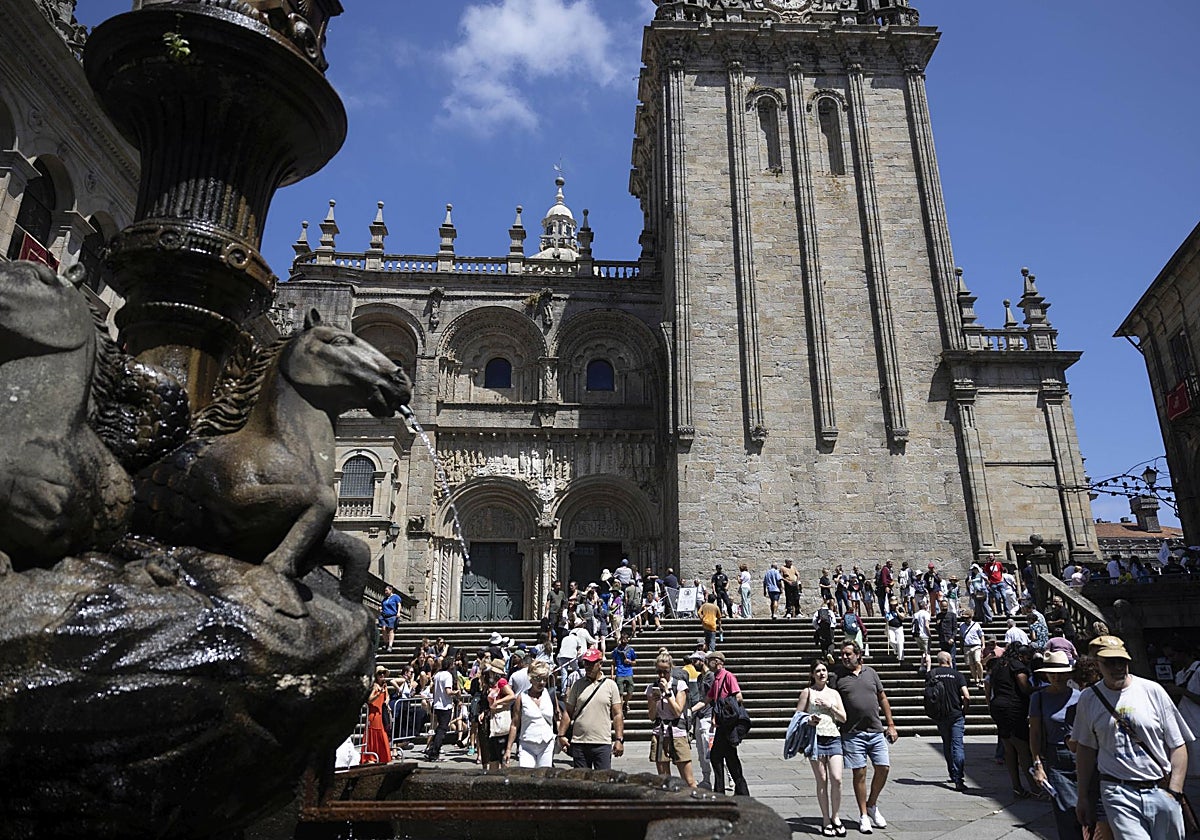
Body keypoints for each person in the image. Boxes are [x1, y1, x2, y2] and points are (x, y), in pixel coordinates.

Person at [1072, 635, 1193, 840]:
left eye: (1122, 661)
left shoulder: (1152, 691)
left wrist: (1175, 791)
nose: (1118, 667)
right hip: (1117, 791)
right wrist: (1082, 796)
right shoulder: (1089, 698)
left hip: (1159, 789)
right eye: (1110, 662)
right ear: (1097, 664)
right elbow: (1085, 749)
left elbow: (1178, 744)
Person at [832, 641, 897, 835]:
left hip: (876, 730)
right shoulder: (837, 676)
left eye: (848, 654)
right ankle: (863, 815)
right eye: (842, 654)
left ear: (858, 655)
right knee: (859, 773)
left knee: (883, 768)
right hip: (852, 733)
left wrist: (890, 724)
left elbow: (882, 697)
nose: (844, 657)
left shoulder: (871, 673)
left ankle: (872, 804)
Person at [1028, 651, 1085, 840]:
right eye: (1052, 672)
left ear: (1069, 673)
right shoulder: (1039, 698)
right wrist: (1037, 764)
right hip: (1056, 757)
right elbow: (1035, 733)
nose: (1056, 676)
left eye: (1061, 672)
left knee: (1088, 810)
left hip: (1083, 756)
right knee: (1066, 811)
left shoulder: (1081, 697)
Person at [798, 660, 848, 837]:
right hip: (815, 739)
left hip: (833, 738)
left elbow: (843, 718)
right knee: (822, 781)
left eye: (824, 670)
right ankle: (826, 819)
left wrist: (830, 707)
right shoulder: (807, 692)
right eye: (818, 671)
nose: (821, 673)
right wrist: (809, 720)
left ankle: (836, 817)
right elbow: (798, 717)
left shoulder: (834, 693)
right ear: (812, 674)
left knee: (837, 779)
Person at [558, 647, 625, 770]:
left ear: (600, 664)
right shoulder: (577, 685)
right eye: (586, 663)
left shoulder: (611, 685)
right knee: (581, 784)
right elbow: (568, 711)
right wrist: (561, 735)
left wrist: (619, 739)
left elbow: (617, 714)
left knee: (603, 783)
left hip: (602, 742)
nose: (588, 666)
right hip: (579, 742)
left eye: (591, 663)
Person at [988, 644, 1036, 797]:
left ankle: (1017, 786)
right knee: (1023, 749)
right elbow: (1024, 688)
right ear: (1021, 656)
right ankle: (1035, 788)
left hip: (998, 706)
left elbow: (988, 683)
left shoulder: (999, 665)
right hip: (1013, 708)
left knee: (1009, 748)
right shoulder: (1017, 666)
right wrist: (1041, 689)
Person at [646, 651, 697, 787]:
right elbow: (651, 717)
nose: (662, 675)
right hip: (660, 733)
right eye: (659, 672)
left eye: (665, 671)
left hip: (677, 733)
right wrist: (653, 701)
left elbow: (677, 711)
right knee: (664, 781)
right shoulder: (651, 688)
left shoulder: (679, 685)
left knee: (689, 780)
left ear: (671, 669)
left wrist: (668, 694)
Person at [704, 650, 750, 796]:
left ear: (717, 662)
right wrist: (689, 710)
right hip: (723, 725)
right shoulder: (716, 679)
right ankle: (740, 790)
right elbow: (707, 700)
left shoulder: (728, 676)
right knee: (729, 757)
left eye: (710, 660)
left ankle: (722, 791)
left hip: (728, 724)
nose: (707, 663)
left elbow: (739, 696)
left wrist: (723, 710)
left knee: (718, 756)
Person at [927, 650, 970, 792]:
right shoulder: (957, 675)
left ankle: (952, 773)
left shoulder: (932, 674)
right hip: (956, 714)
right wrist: (965, 709)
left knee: (947, 743)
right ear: (949, 660)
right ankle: (959, 778)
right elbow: (966, 696)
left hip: (940, 715)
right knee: (957, 745)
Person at [505, 660, 557, 768]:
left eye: (544, 679)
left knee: (545, 777)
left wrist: (560, 738)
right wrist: (509, 749)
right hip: (527, 745)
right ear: (531, 678)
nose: (541, 682)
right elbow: (514, 724)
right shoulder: (521, 698)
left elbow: (558, 717)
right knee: (526, 777)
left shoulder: (550, 694)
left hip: (546, 744)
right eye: (538, 679)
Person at [684, 650, 715, 789]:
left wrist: (691, 710)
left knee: (710, 749)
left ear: (702, 661)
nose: (692, 663)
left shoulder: (710, 677)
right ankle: (706, 778)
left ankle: (727, 777)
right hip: (699, 716)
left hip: (708, 716)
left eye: (695, 661)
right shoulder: (699, 678)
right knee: (701, 751)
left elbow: (708, 699)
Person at [477, 661, 515, 770]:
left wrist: (498, 703)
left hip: (500, 720)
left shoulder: (502, 682)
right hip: (493, 721)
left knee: (501, 755)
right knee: (493, 756)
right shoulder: (493, 684)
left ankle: (503, 776)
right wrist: (485, 712)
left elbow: (512, 696)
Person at [423, 658, 458, 761]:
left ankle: (432, 749)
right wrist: (456, 692)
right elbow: (448, 691)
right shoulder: (448, 676)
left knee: (439, 728)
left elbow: (432, 688)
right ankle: (434, 752)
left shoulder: (437, 675)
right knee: (442, 729)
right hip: (445, 705)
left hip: (437, 704)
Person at [362, 666, 393, 764]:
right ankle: (370, 757)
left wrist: (386, 701)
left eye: (383, 673)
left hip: (381, 714)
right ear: (376, 675)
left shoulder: (384, 686)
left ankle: (381, 756)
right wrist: (378, 694)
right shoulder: (374, 686)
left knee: (382, 735)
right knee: (373, 734)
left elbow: (387, 697)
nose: (382, 675)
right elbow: (369, 700)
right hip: (373, 714)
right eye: (380, 673)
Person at [611, 631, 638, 716]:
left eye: (626, 639)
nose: (624, 641)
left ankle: (626, 702)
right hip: (619, 673)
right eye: (623, 639)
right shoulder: (616, 650)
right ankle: (621, 710)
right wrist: (612, 674)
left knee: (630, 691)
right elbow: (613, 663)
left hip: (628, 672)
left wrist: (629, 661)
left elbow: (635, 662)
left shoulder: (631, 650)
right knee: (620, 693)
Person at [959, 612, 984, 686]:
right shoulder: (961, 625)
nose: (965, 619)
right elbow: (961, 637)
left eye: (967, 618)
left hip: (976, 645)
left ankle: (981, 679)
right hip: (966, 646)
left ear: (970, 617)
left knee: (977, 661)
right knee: (971, 664)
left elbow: (981, 635)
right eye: (964, 618)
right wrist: (961, 647)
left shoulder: (976, 625)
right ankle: (976, 679)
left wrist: (983, 645)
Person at [378, 585, 401, 652]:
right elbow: (383, 606)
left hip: (392, 615)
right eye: (385, 591)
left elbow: (399, 604)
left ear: (391, 590)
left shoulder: (395, 597)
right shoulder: (385, 599)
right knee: (383, 629)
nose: (385, 592)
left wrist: (398, 612)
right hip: (384, 616)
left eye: (386, 590)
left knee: (391, 630)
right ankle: (386, 643)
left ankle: (390, 645)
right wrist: (380, 609)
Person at [883, 597, 905, 663]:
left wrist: (897, 611)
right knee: (891, 640)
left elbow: (902, 617)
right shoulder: (888, 609)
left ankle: (901, 659)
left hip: (899, 628)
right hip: (891, 627)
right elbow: (886, 619)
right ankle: (896, 649)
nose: (893, 606)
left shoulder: (900, 609)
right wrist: (886, 617)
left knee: (900, 643)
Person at [912, 599, 931, 674]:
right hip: (924, 635)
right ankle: (928, 669)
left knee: (923, 650)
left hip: (917, 635)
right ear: (925, 606)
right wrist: (929, 634)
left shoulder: (915, 614)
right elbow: (926, 625)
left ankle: (921, 666)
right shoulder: (926, 614)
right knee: (927, 652)